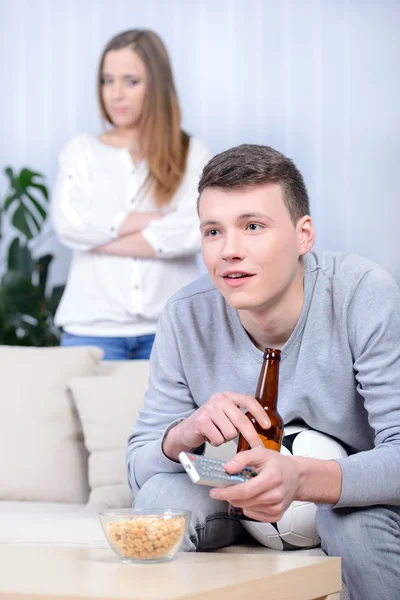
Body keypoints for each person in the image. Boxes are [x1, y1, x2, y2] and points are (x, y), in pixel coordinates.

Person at [127, 144, 400, 600]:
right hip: (235, 498)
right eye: (213, 231)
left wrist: (301, 478)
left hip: (346, 498)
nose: (229, 251)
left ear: (303, 235)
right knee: (159, 502)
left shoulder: (362, 294)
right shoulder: (184, 315)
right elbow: (139, 472)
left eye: (253, 226)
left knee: (353, 525)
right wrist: (185, 432)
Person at [51, 29, 210, 359]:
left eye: (131, 81)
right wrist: (152, 220)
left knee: (178, 414)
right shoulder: (82, 151)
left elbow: (196, 230)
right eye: (107, 80)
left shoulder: (192, 153)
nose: (115, 94)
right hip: (91, 332)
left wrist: (100, 238)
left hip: (169, 332)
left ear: (157, 84)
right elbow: (70, 224)